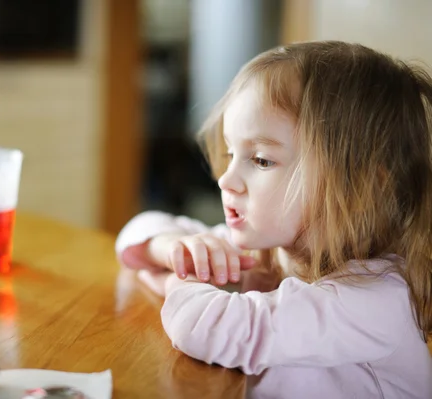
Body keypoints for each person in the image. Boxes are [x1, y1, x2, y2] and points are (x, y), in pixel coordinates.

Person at [115, 41, 432, 398]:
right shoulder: (275, 252)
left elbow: (208, 328)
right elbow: (136, 231)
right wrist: (171, 248)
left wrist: (177, 280)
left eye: (262, 160)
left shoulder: (376, 299)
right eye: (232, 153)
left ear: (361, 190)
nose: (225, 180)